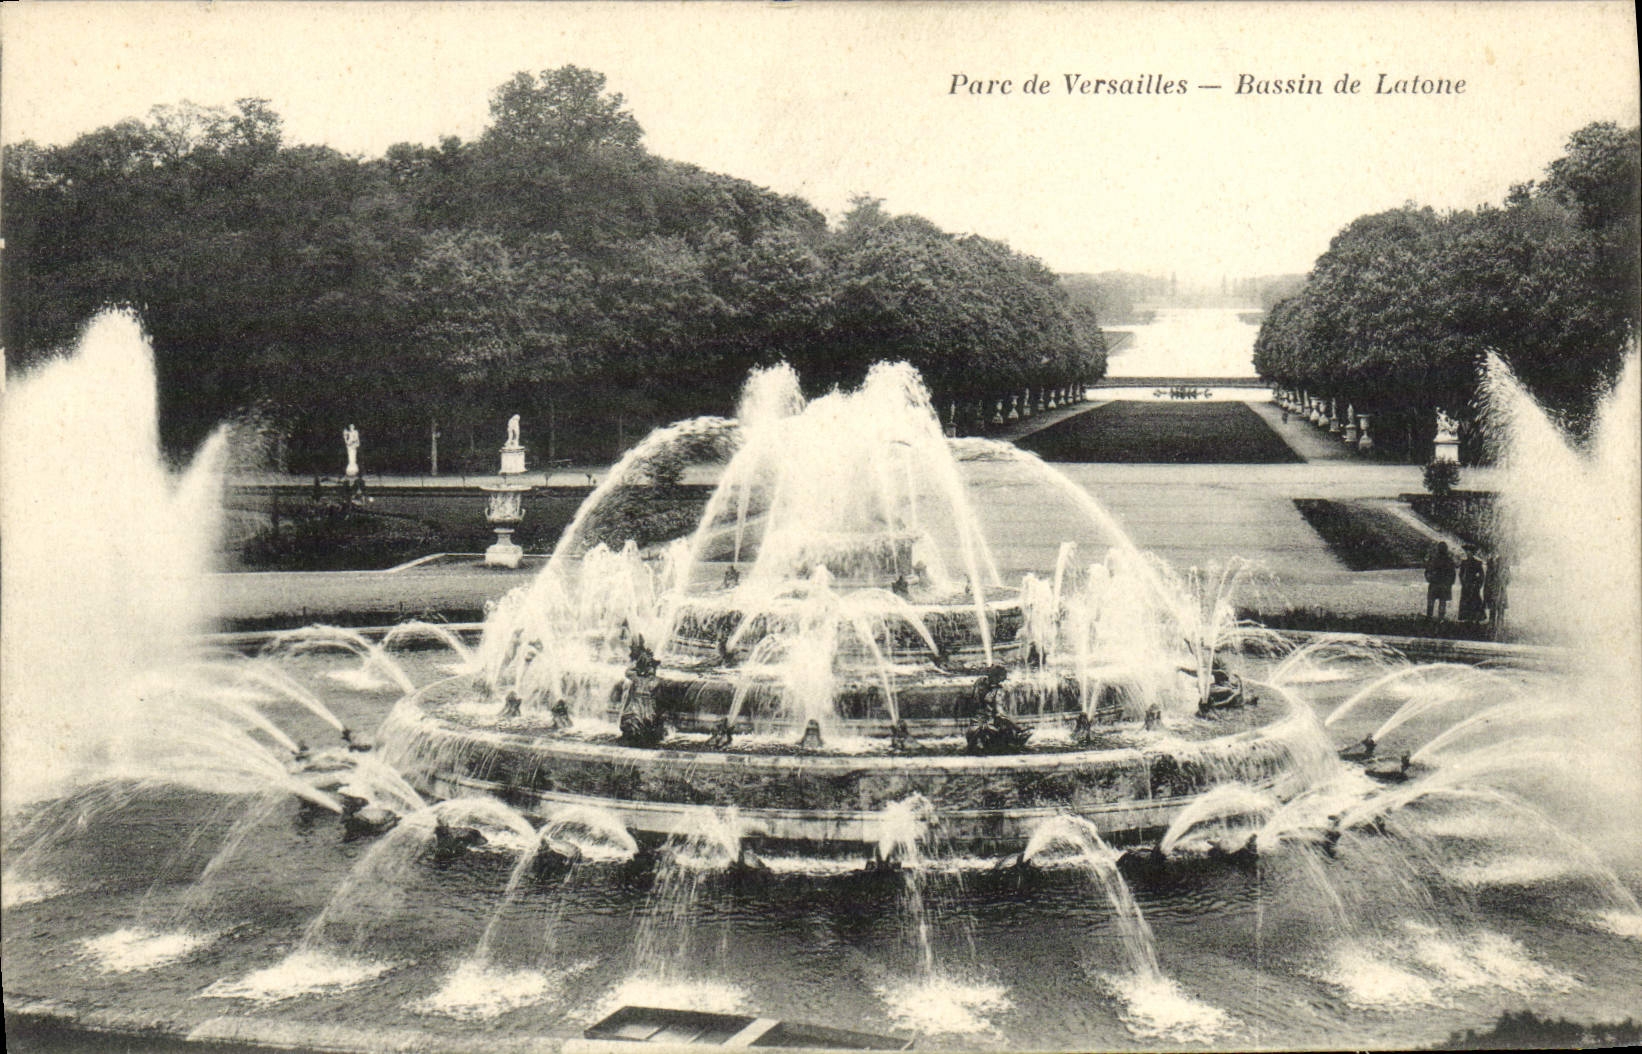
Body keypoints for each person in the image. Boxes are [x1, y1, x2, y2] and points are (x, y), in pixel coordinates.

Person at [1424, 542, 1457, 623]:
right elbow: (1453, 573)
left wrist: (1429, 578)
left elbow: (1427, 570)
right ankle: (1441, 618)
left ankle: (1429, 617)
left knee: (1431, 601)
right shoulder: (1449, 560)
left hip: (1434, 583)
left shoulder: (1433, 559)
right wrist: (1450, 583)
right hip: (1444, 584)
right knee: (1442, 601)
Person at [1457, 544, 1487, 623]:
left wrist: (1478, 584)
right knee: (1466, 601)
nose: (1468, 553)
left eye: (1470, 552)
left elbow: (1482, 575)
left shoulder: (1477, 563)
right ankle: (1467, 618)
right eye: (1467, 552)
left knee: (1475, 601)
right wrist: (1463, 582)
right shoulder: (1464, 562)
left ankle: (1476, 618)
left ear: (1473, 553)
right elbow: (1461, 574)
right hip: (1466, 586)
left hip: (1474, 586)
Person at [1485, 551, 1510, 638]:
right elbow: (1489, 581)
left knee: (1499, 611)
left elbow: (1508, 580)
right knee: (1495, 611)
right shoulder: (1494, 570)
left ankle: (1498, 629)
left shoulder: (1504, 570)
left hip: (1500, 593)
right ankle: (1493, 628)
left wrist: (1501, 584)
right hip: (1496, 592)